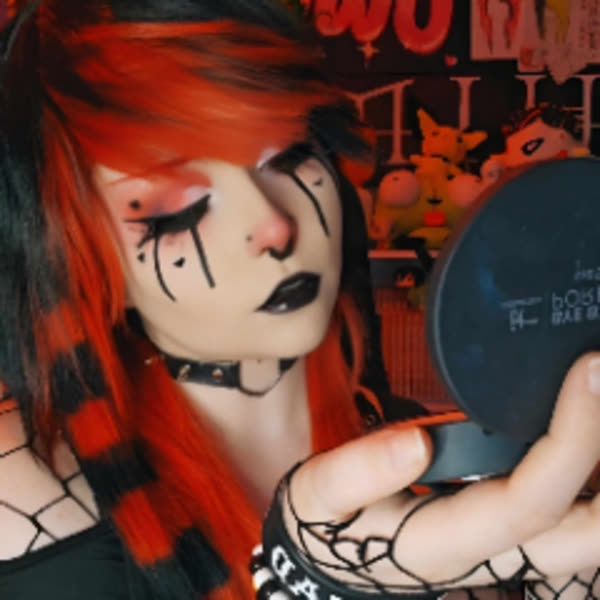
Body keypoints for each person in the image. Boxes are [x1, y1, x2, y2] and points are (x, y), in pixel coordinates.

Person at [0, 1, 599, 599]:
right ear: (75, 256)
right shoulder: (29, 496)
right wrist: (305, 583)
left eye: (289, 156)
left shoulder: (429, 452)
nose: (274, 225)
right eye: (176, 210)